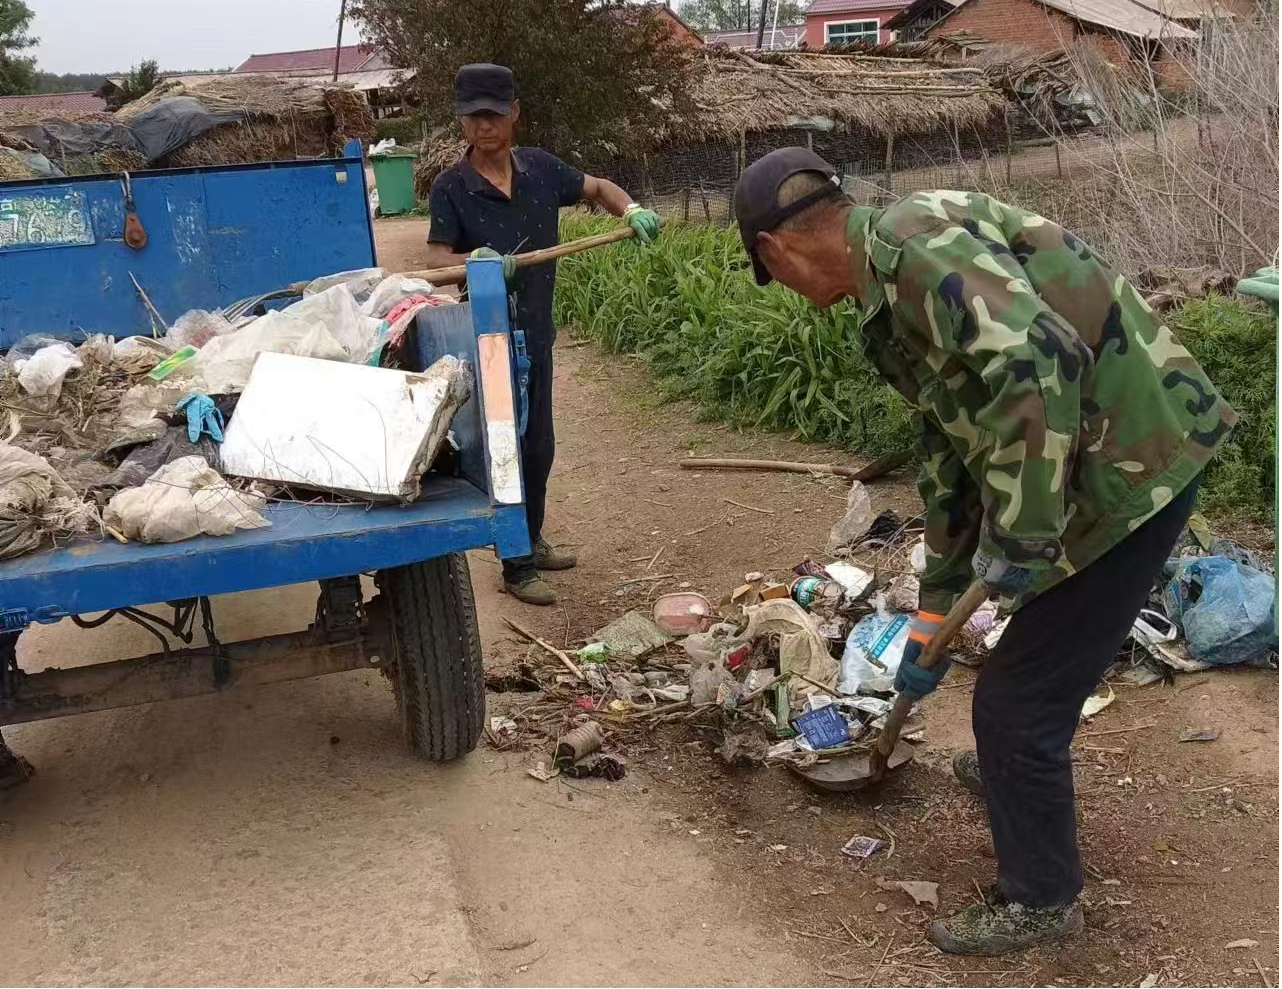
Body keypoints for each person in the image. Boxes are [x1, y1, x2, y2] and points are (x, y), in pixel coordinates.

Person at [732, 147, 1236, 957]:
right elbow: (952, 451)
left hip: (1130, 472)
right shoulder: (895, 274)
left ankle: (1041, 899)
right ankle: (1017, 776)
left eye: (775, 276)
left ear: (776, 250)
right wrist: (937, 604)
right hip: (1103, 464)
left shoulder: (914, 249)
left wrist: (1024, 531)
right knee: (1032, 683)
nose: (800, 299)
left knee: (1011, 705)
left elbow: (1035, 367)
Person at [424, 63, 659, 606]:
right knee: (504, 447)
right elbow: (437, 261)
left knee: (540, 446)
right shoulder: (452, 187)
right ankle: (515, 565)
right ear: (463, 122)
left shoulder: (542, 170)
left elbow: (599, 188)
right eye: (475, 116)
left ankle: (530, 536)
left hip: (537, 332)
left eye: (495, 114)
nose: (486, 126)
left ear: (515, 114)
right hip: (489, 340)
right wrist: (475, 262)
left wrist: (634, 207)